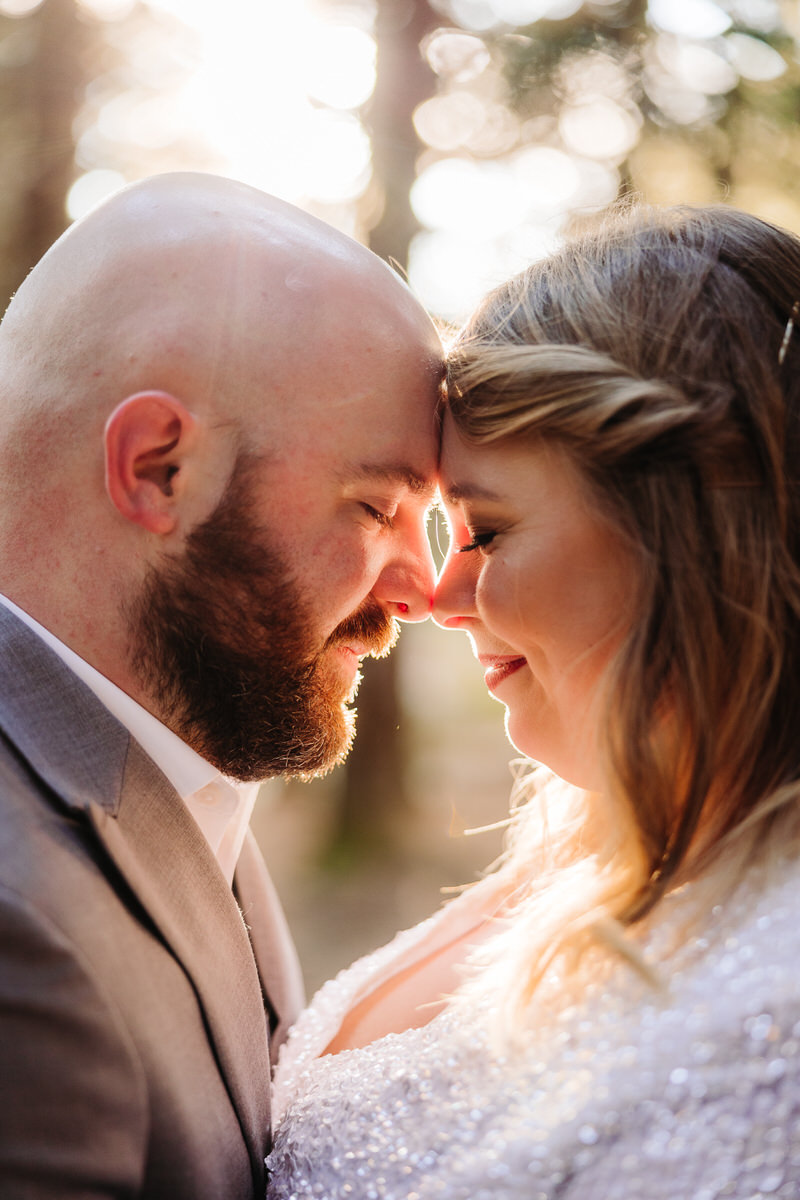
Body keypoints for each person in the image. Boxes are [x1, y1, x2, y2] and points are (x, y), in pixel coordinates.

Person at [267, 204, 800, 1199]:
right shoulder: (587, 840)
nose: (436, 595)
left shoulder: (773, 1029)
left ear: (678, 531)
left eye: (488, 530)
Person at [0, 172, 442, 1198]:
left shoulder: (158, 759)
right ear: (158, 468)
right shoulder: (19, 922)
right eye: (376, 505)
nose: (423, 587)